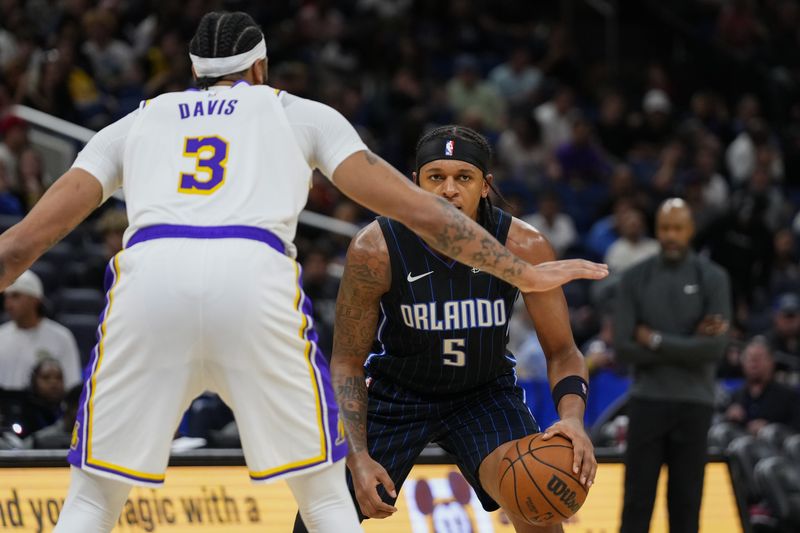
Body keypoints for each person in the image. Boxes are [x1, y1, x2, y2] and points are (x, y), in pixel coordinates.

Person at [0, 12, 607, 533]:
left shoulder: (134, 124)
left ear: (193, 74)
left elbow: (20, 246)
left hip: (148, 283)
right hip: (258, 282)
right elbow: (418, 212)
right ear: (262, 69)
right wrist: (520, 273)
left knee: (91, 495)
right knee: (322, 494)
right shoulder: (300, 115)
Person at [293, 125, 599, 533]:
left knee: (536, 504)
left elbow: (563, 352)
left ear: (485, 186)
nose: (449, 190)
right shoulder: (376, 248)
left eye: (464, 178)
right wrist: (357, 456)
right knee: (322, 513)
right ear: (414, 182)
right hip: (398, 393)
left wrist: (573, 419)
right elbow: (347, 361)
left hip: (483, 394)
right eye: (436, 176)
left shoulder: (523, 244)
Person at [614, 198, 732, 533]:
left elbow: (715, 349)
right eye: (665, 228)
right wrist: (690, 341)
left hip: (695, 403)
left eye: (678, 228)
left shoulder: (714, 278)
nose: (671, 235)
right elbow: (623, 348)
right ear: (657, 230)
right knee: (636, 504)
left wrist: (654, 340)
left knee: (686, 506)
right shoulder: (634, 278)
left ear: (691, 230)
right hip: (647, 400)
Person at [0, 269, 82, 390]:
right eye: (6, 297)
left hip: (46, 408)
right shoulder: (1, 335)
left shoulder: (61, 336)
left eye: (15, 296)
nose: (8, 304)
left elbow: (71, 384)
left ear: (35, 300)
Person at [724, 337, 800, 435]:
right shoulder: (735, 396)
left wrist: (771, 429)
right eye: (749, 358)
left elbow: (796, 430)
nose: (753, 363)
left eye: (759, 358)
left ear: (771, 362)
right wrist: (728, 418)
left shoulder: (789, 396)